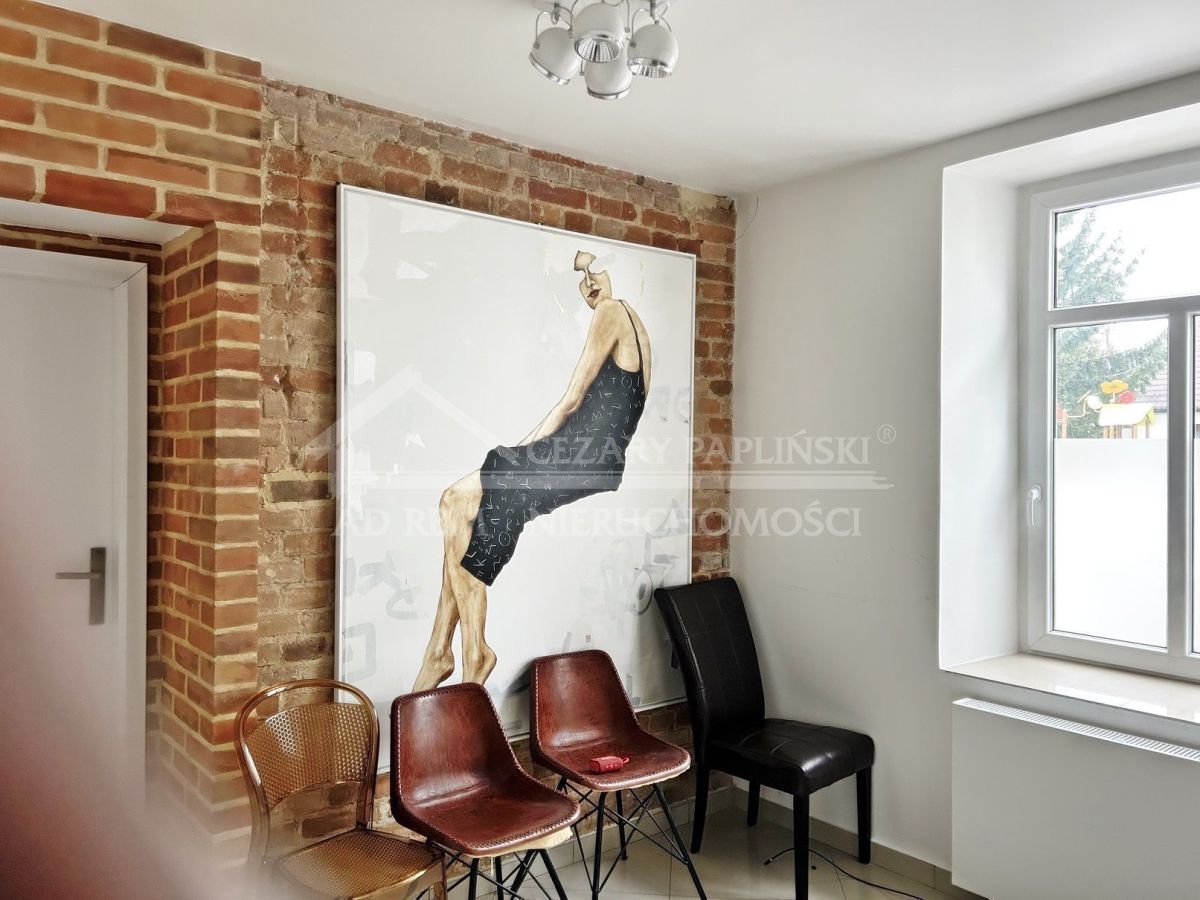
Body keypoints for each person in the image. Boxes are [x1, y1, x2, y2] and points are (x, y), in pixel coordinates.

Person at [412, 250, 652, 690]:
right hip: (595, 461)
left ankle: (472, 653)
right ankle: (441, 650)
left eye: (595, 268)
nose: (590, 281)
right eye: (581, 275)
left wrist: (520, 452)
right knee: (457, 509)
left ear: (617, 271)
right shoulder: (640, 332)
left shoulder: (612, 313)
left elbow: (572, 400)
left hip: (577, 455)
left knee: (455, 500)